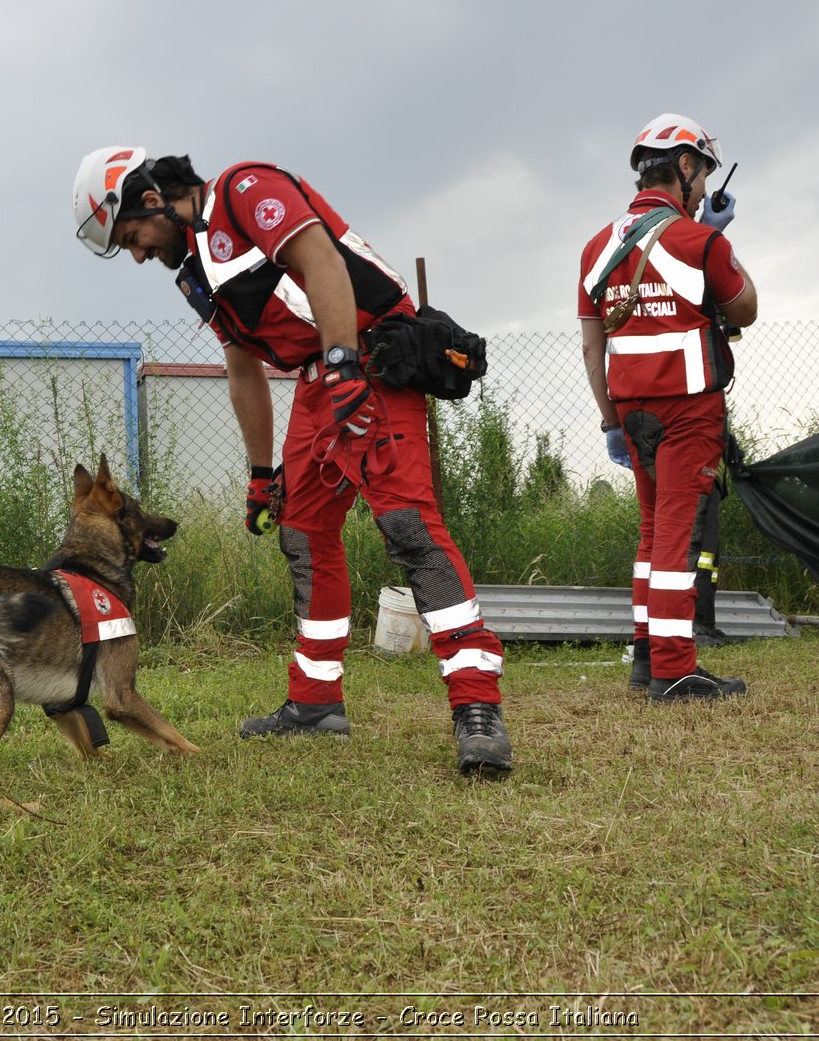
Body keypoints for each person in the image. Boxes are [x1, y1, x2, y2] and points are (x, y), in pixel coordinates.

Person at [70, 146, 512, 776]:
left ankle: (477, 709)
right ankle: (314, 702)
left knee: (410, 529)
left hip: (371, 358)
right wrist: (259, 474)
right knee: (303, 534)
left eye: (133, 238)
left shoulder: (247, 190)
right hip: (318, 379)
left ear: (151, 201)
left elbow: (320, 260)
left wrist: (344, 368)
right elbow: (243, 366)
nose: (138, 253)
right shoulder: (196, 270)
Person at [577, 113, 758, 702]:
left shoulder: (595, 248)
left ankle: (646, 652)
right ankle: (675, 669)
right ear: (684, 167)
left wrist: (610, 420)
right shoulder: (701, 241)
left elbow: (591, 343)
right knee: (678, 537)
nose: (704, 187)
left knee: (653, 531)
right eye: (701, 174)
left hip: (631, 412)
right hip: (687, 412)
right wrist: (716, 236)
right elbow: (746, 308)